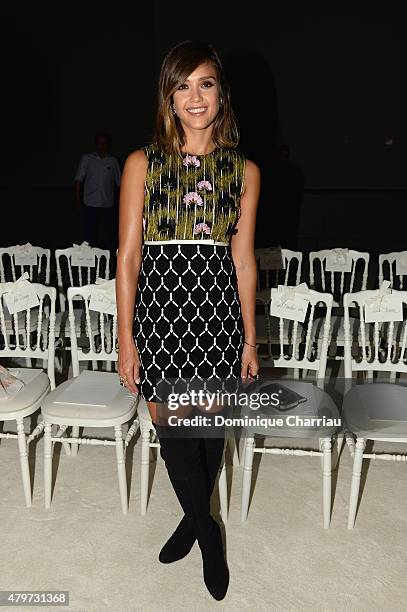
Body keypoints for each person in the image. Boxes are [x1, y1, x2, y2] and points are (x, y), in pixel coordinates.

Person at [116, 40, 260, 601]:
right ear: (168, 97)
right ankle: (208, 534)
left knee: (206, 435)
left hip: (217, 312)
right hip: (159, 311)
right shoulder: (141, 163)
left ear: (221, 94)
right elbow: (128, 257)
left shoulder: (244, 171)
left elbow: (243, 260)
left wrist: (249, 338)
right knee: (176, 435)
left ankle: (190, 517)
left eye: (204, 83)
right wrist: (126, 341)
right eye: (182, 85)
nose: (193, 96)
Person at [74, 132, 121, 253]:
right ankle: (88, 261)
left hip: (107, 205)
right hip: (90, 204)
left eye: (104, 143)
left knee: (109, 236)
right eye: (100, 143)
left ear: (108, 145)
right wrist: (78, 202)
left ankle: (109, 260)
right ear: (96, 144)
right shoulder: (87, 159)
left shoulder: (113, 161)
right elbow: (78, 180)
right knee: (89, 236)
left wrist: (120, 204)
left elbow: (119, 184)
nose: (102, 145)